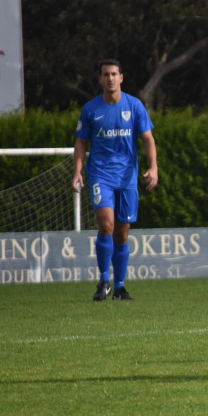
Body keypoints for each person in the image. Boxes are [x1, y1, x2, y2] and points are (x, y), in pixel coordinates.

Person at [72, 59, 158, 301]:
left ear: (122, 77)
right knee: (106, 224)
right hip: (101, 174)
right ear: (100, 79)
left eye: (114, 74)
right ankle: (103, 281)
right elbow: (81, 142)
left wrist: (153, 167)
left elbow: (148, 139)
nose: (110, 78)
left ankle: (119, 287)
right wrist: (78, 171)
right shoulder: (91, 109)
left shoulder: (135, 106)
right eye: (105, 74)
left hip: (127, 177)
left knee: (122, 232)